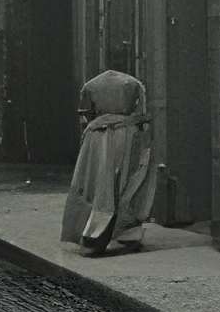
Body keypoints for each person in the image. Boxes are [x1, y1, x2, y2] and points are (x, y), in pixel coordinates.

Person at [61, 66, 157, 256]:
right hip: (128, 135)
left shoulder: (90, 85)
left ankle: (93, 234)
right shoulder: (134, 83)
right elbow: (143, 114)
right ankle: (127, 232)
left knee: (96, 183)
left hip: (97, 137)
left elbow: (84, 115)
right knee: (127, 183)